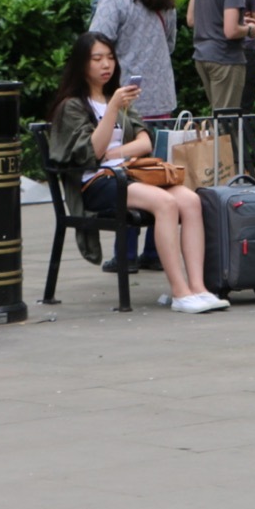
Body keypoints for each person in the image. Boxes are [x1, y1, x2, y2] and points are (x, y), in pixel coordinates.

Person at [46, 33, 228, 313]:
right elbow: (93, 151)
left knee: (191, 201)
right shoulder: (72, 105)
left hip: (128, 174)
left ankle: (198, 288)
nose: (106, 64)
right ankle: (180, 293)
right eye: (97, 59)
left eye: (110, 57)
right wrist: (113, 111)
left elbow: (145, 141)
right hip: (96, 183)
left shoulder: (116, 97)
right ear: (82, 64)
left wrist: (115, 153)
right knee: (165, 203)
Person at [89, 0, 179, 271]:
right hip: (162, 99)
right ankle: (156, 252)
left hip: (125, 101)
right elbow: (170, 46)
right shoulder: (164, 1)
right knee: (159, 173)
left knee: (125, 173)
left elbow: (96, 45)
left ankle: (125, 255)